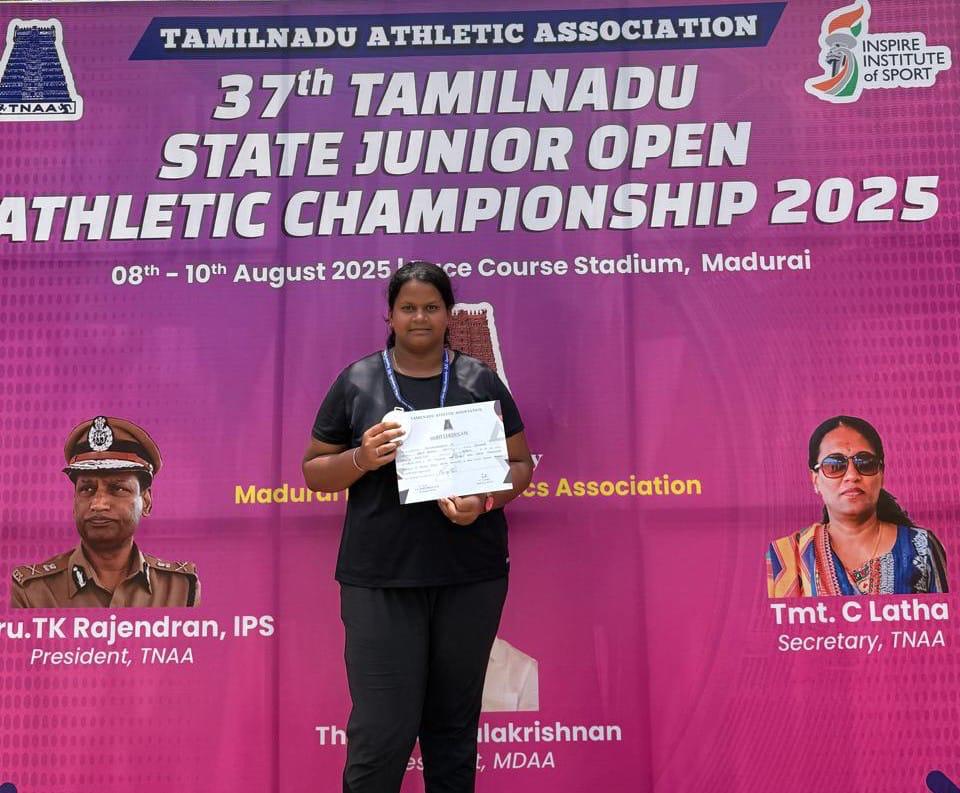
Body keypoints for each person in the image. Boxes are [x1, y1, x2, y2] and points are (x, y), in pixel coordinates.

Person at [303, 261, 534, 793]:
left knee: (453, 729)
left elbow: (521, 465)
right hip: (380, 579)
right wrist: (361, 458)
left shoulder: (479, 380)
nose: (420, 317)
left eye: (431, 307)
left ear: (449, 314)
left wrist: (484, 500)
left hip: (468, 577)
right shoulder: (358, 381)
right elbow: (314, 471)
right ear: (389, 315)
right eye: (408, 307)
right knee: (381, 732)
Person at [10, 416, 200, 608]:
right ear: (74, 502)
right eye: (87, 489)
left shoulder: (181, 590)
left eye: (118, 488)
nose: (98, 504)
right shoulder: (31, 592)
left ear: (146, 502)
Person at [766, 415, 948, 597]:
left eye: (865, 463)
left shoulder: (921, 546)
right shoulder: (784, 557)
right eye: (834, 465)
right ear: (815, 480)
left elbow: (948, 615)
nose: (852, 475)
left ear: (881, 474)